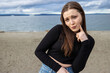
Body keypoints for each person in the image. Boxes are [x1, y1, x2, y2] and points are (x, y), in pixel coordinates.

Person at [35, 1, 95, 73]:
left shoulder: (89, 41)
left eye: (74, 17)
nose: (71, 23)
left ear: (82, 15)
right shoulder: (58, 30)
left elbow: (77, 68)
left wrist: (84, 43)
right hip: (48, 69)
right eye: (67, 20)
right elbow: (39, 51)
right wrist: (58, 68)